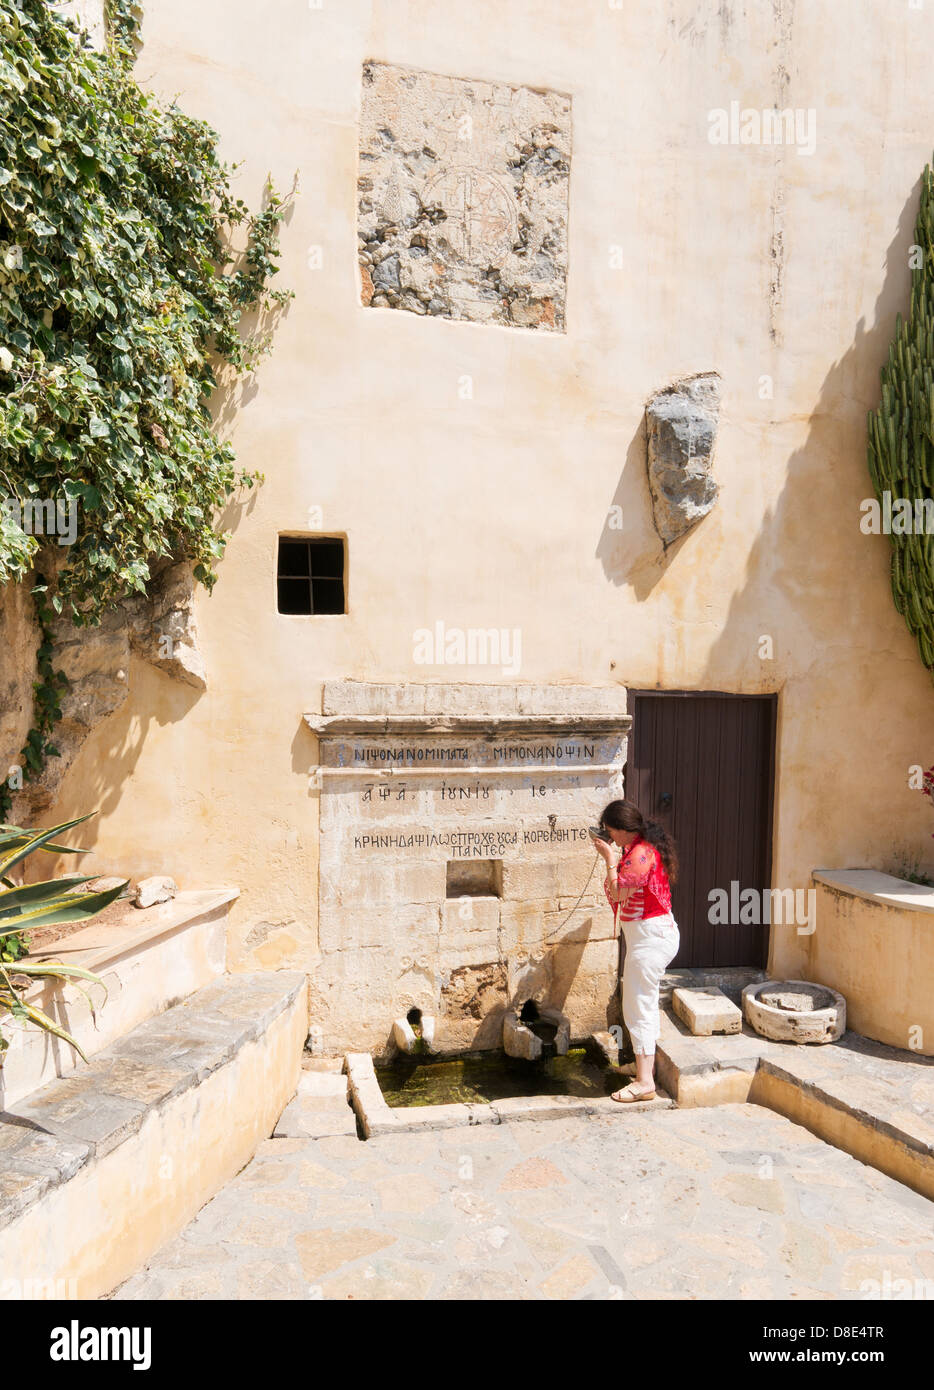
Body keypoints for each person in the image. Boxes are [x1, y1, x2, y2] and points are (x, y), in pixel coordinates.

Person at [591, 799, 680, 1102]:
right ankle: (645, 1069)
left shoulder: (639, 855)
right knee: (642, 1003)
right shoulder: (636, 850)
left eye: (610, 830)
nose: (608, 836)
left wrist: (607, 858)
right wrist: (614, 855)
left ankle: (644, 1083)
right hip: (647, 938)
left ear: (622, 829)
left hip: (650, 939)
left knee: (638, 1006)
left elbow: (618, 892)